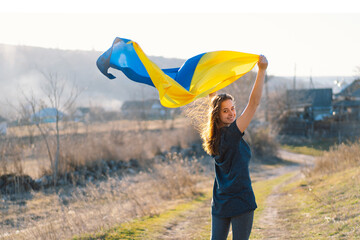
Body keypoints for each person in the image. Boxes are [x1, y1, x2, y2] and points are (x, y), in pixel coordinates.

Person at [201, 55, 268, 240]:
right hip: (240, 201)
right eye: (226, 110)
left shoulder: (212, 136)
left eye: (233, 108)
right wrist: (261, 71)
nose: (232, 113)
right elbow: (253, 104)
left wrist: (211, 88)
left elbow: (213, 104)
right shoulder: (231, 134)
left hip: (220, 202)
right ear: (217, 115)